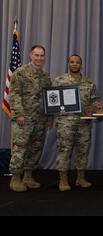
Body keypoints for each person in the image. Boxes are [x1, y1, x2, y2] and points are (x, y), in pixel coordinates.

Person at [53, 54, 101, 191]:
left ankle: (80, 178)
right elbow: (52, 100)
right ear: (68, 63)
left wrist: (97, 109)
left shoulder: (89, 83)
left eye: (77, 62)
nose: (75, 64)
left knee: (83, 151)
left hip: (83, 123)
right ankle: (63, 180)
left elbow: (95, 101)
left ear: (81, 65)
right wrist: (57, 109)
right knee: (64, 150)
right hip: (65, 122)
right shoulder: (59, 81)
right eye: (72, 62)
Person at [8, 45, 52, 192]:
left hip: (40, 119)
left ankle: (28, 176)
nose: (39, 58)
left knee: (35, 148)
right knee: (20, 148)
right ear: (30, 55)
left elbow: (49, 98)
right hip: (24, 118)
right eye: (36, 55)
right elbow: (14, 95)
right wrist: (19, 114)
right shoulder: (20, 72)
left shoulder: (45, 75)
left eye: (42, 56)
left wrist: (50, 115)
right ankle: (15, 179)